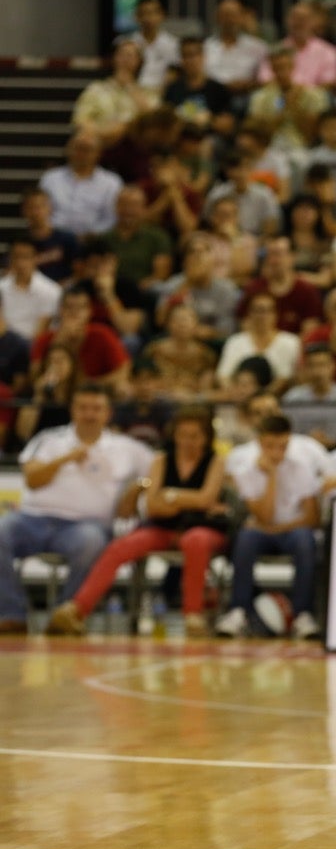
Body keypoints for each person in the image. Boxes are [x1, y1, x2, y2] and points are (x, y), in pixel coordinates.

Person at [47, 404, 228, 637]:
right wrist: (186, 501)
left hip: (203, 528)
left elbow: (206, 499)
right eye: (182, 435)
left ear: (206, 437)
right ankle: (76, 609)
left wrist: (170, 496)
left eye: (194, 436)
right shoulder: (162, 460)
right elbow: (152, 505)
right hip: (162, 527)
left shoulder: (216, 461)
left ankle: (193, 615)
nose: (187, 441)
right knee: (120, 547)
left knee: (195, 541)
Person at [0, 383, 152, 633]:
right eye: (83, 408)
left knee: (91, 542)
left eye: (96, 408)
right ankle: (11, 613)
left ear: (108, 413)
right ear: (73, 410)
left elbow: (159, 470)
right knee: (2, 530)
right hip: (33, 519)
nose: (89, 414)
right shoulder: (49, 440)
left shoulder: (127, 448)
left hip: (86, 525)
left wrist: (139, 487)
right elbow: (32, 479)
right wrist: (65, 459)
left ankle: (66, 614)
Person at [216, 414, 321, 639]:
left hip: (293, 529)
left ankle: (303, 614)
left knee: (305, 540)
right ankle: (239, 610)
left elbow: (313, 518)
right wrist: (272, 475)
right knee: (246, 537)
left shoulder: (301, 467)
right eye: (270, 446)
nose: (276, 453)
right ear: (260, 443)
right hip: (263, 532)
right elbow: (265, 516)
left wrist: (279, 529)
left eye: (282, 446)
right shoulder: (246, 470)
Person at [40, 132, 123, 239]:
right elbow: (41, 211)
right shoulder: (50, 178)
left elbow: (111, 218)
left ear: (98, 153)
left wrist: (91, 235)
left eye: (87, 150)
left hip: (95, 240)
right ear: (68, 150)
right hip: (55, 238)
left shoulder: (112, 182)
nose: (81, 154)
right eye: (77, 149)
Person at [73, 40, 157, 144]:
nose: (125, 59)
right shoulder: (96, 88)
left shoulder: (147, 92)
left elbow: (152, 121)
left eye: (130, 56)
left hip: (135, 146)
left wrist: (130, 87)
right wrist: (107, 133)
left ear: (139, 62)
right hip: (101, 144)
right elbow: (80, 120)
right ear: (114, 58)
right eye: (121, 54)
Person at [282, 343, 336, 447]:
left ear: (333, 366)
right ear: (305, 368)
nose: (317, 371)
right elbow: (287, 434)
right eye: (312, 366)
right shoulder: (292, 399)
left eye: (322, 365)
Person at [260, 1, 336, 89]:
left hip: (313, 97)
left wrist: (301, 92)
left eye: (303, 19)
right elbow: (265, 78)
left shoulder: (328, 51)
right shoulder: (276, 50)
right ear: (287, 20)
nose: (299, 23)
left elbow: (329, 81)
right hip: (281, 95)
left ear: (313, 22)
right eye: (295, 18)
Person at [164, 37, 236, 136]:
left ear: (203, 57)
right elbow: (166, 122)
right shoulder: (172, 89)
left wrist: (208, 120)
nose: (190, 60)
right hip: (180, 138)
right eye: (185, 56)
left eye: (193, 55)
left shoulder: (218, 90)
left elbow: (227, 126)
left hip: (209, 137)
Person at [203, 0, 269, 97]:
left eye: (233, 15)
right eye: (225, 15)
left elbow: (265, 78)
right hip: (212, 96)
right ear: (217, 18)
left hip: (245, 96)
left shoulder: (258, 47)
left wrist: (248, 84)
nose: (229, 20)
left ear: (241, 17)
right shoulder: (205, 47)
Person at [1, 235, 63, 340]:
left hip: (34, 347)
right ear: (10, 258)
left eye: (25, 257)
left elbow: (42, 331)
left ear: (36, 258)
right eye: (16, 256)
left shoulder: (51, 291)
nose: (20, 263)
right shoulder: (1, 287)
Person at [127, 0, 182, 90]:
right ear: (136, 17)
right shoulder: (127, 43)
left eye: (152, 13)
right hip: (132, 90)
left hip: (162, 91)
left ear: (162, 15)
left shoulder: (173, 44)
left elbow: (176, 73)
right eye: (143, 13)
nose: (148, 18)